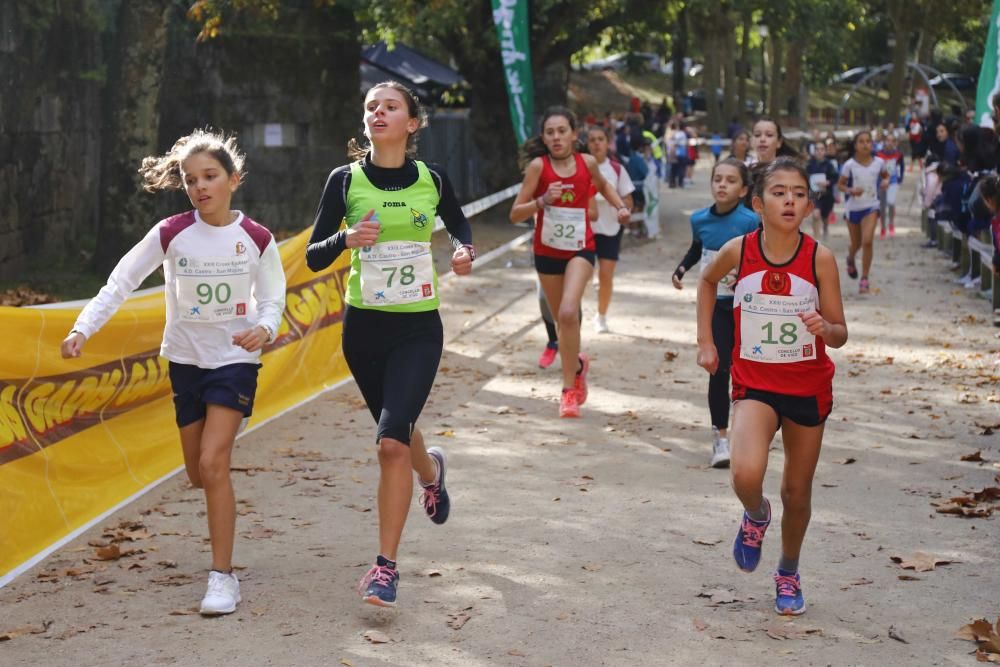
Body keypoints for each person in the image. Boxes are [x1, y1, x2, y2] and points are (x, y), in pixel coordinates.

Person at [60, 130, 286, 616]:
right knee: (197, 473)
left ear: (233, 179)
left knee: (212, 463)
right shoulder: (170, 233)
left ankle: (223, 578)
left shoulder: (257, 239)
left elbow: (273, 300)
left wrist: (263, 329)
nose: (200, 187)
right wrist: (84, 328)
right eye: (191, 180)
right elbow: (121, 280)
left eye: (210, 177)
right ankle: (218, 479)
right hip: (186, 362)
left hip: (235, 362)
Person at [305, 81, 475, 608]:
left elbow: (461, 230)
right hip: (364, 331)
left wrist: (464, 252)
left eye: (391, 106)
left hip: (418, 328)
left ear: (412, 123)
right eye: (371, 107)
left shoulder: (433, 179)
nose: (379, 113)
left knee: (389, 444)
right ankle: (432, 473)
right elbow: (314, 255)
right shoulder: (345, 180)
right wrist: (346, 239)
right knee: (395, 429)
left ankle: (385, 568)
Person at [696, 157, 848, 616]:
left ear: (807, 205)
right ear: (758, 203)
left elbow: (840, 333)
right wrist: (706, 340)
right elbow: (706, 282)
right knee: (744, 474)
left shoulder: (819, 257)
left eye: (798, 193)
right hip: (754, 385)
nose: (789, 200)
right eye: (779, 192)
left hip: (806, 388)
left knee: (797, 494)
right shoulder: (739, 250)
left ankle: (788, 570)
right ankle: (756, 516)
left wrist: (825, 328)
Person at [508, 106, 630, 418]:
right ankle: (576, 364)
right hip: (547, 251)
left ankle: (567, 392)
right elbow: (515, 213)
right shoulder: (538, 167)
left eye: (562, 131)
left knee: (567, 312)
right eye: (550, 132)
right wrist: (541, 201)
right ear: (544, 138)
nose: (556, 137)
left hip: (580, 249)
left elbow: (603, 185)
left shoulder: (586, 162)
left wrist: (619, 207)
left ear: (574, 135)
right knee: (562, 323)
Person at [672, 158, 759, 468]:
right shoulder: (699, 219)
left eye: (730, 180)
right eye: (717, 179)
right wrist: (681, 269)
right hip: (716, 306)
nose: (722, 184)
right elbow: (698, 249)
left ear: (744, 189)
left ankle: (748, 434)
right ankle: (720, 438)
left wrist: (745, 274)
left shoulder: (750, 222)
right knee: (718, 369)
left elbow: (761, 256)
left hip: (748, 309)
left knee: (748, 371)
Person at [586, 125, 635, 333]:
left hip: (611, 229)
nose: (596, 143)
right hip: (584, 228)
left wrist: (622, 210)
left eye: (600, 139)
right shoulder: (579, 167)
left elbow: (628, 199)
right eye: (592, 140)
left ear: (607, 143)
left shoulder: (617, 169)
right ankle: (573, 314)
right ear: (586, 144)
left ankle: (601, 316)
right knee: (582, 275)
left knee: (606, 275)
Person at [838, 131, 889, 294]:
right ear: (855, 145)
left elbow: (886, 176)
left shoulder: (879, 162)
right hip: (853, 208)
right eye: (861, 141)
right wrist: (850, 190)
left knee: (867, 241)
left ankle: (864, 278)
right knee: (856, 244)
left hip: (871, 206)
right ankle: (851, 258)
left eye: (868, 141)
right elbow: (840, 185)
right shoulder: (849, 165)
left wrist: (886, 182)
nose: (865, 144)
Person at [806, 141, 839, 240]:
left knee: (824, 216)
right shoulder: (809, 165)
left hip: (827, 194)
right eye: (817, 149)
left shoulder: (829, 165)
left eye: (822, 149)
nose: (819, 152)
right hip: (814, 194)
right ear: (814, 151)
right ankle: (816, 239)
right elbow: (804, 177)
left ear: (825, 151)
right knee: (816, 215)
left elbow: (836, 178)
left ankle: (825, 227)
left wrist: (828, 182)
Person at [876, 132, 905, 239]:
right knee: (882, 207)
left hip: (893, 181)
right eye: (888, 140)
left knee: (891, 202)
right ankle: (883, 228)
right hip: (882, 182)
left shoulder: (898, 154)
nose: (890, 143)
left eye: (892, 141)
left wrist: (900, 178)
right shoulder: (878, 154)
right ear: (884, 142)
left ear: (895, 143)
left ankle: (891, 224)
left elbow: (902, 167)